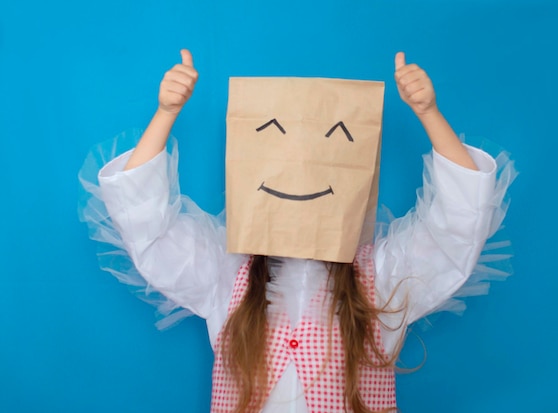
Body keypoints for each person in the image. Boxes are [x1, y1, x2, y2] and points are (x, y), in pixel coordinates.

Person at [79, 49, 516, 413]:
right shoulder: (225, 273)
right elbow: (149, 229)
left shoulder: (381, 279)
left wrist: (429, 114)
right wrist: (165, 114)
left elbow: (456, 230)